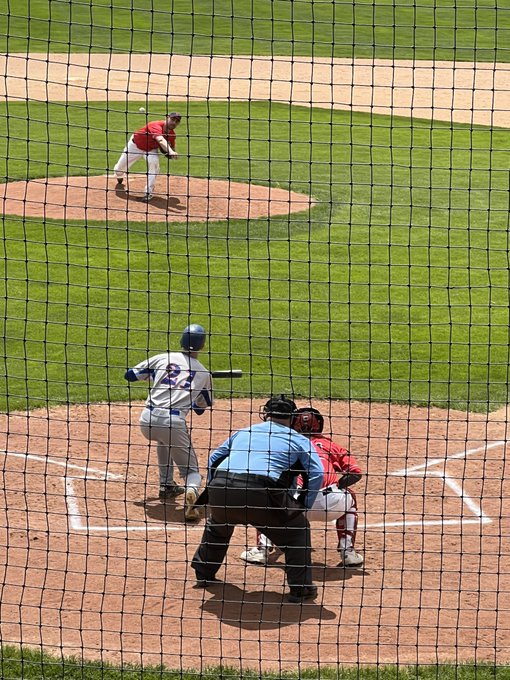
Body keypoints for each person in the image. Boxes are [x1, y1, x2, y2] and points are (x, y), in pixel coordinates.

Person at [191, 395, 324, 603]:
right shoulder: (298, 439)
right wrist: (302, 506)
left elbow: (214, 459)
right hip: (260, 492)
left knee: (218, 525)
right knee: (298, 532)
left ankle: (203, 573)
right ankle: (301, 589)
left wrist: (215, 488)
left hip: (221, 487)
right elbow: (316, 474)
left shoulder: (244, 432)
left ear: (266, 414)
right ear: (292, 418)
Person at [240, 406, 364, 568]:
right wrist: (338, 486)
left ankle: (261, 550)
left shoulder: (285, 443)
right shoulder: (330, 445)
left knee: (268, 496)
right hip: (331, 503)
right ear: (319, 424)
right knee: (350, 497)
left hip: (295, 506)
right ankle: (348, 552)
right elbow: (355, 473)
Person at [125, 323, 212, 521]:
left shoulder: (163, 358)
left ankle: (166, 485)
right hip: (172, 421)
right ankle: (192, 494)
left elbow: (129, 375)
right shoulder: (204, 373)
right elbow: (200, 409)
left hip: (146, 420)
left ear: (181, 341)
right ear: (202, 346)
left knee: (163, 440)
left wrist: (157, 375)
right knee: (191, 471)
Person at [113, 112, 181, 202]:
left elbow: (171, 146)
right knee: (119, 169)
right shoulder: (155, 125)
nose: (174, 122)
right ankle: (120, 175)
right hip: (135, 146)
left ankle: (148, 192)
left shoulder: (172, 135)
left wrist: (170, 152)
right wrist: (171, 151)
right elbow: (160, 139)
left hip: (150, 150)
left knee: (154, 164)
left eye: (176, 121)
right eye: (172, 119)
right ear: (167, 118)